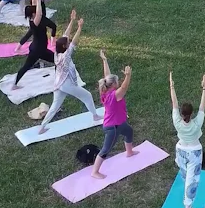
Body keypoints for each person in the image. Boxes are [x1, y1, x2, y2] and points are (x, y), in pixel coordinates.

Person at [36, 10, 100, 132]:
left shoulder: (57, 52)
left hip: (58, 84)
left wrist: (72, 20)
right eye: (67, 43)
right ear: (65, 47)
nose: (69, 41)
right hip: (67, 84)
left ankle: (42, 127)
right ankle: (95, 116)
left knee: (55, 106)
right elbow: (74, 42)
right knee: (87, 95)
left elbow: (66, 35)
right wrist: (80, 27)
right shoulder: (66, 55)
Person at [91, 50, 137, 178]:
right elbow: (124, 88)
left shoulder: (105, 90)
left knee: (129, 132)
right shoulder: (115, 95)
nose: (118, 83)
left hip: (120, 123)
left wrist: (104, 60)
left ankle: (129, 152)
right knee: (106, 149)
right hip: (113, 128)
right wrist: (128, 75)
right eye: (116, 82)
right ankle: (95, 172)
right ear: (114, 85)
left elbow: (107, 75)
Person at [11, 0, 59, 87]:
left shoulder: (33, 20)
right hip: (39, 49)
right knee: (58, 61)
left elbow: (38, 3)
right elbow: (39, 13)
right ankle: (59, 80)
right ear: (33, 13)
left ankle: (14, 84)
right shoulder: (36, 20)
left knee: (27, 66)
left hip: (36, 48)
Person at [170, 71, 205, 208]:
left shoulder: (177, 121)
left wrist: (172, 86)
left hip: (180, 149)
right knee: (192, 179)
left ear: (181, 113)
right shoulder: (197, 123)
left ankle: (185, 186)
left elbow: (174, 103)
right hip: (194, 151)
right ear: (191, 113)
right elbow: (202, 106)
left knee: (184, 172)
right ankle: (188, 206)